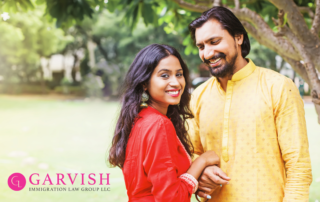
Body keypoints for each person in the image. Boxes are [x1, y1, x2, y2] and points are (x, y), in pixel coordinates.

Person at [187, 6, 312, 201]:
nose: (208, 53)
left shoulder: (278, 87)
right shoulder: (199, 96)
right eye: (201, 46)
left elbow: (298, 166)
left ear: (238, 37)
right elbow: (190, 152)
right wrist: (202, 170)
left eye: (214, 41)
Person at [108, 44, 226, 202]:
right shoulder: (159, 125)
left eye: (179, 74)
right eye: (164, 75)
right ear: (144, 83)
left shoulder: (140, 118)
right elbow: (171, 198)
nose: (176, 83)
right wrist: (202, 161)